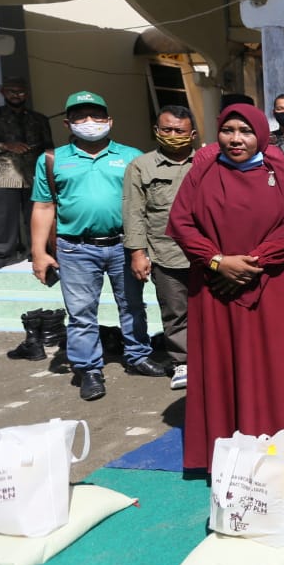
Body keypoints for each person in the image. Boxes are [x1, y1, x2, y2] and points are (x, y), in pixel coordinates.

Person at [167, 104, 284, 469]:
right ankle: (231, 443)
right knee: (225, 363)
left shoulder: (281, 173)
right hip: (215, 285)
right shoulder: (202, 173)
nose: (236, 139)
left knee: (281, 363)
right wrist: (218, 262)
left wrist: (252, 263)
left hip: (276, 285)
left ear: (260, 133)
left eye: (245, 131)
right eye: (228, 130)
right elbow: (181, 223)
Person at [30, 91, 157, 401]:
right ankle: (89, 369)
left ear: (109, 121)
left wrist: (145, 248)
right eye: (80, 116)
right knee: (81, 312)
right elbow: (44, 207)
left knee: (132, 305)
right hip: (75, 248)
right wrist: (39, 252)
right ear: (67, 123)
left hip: (124, 245)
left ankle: (138, 355)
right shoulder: (52, 160)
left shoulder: (131, 156)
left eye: (96, 115)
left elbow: (147, 205)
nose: (89, 121)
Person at [123, 105, 198, 390]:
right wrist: (137, 253)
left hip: (207, 253)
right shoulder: (140, 166)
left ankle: (212, 359)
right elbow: (134, 212)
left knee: (212, 310)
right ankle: (183, 362)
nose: (173, 135)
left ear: (192, 134)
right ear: (156, 131)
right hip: (165, 253)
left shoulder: (207, 162)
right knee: (175, 311)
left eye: (179, 131)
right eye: (167, 130)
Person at [0, 75, 52, 270]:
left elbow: (49, 147)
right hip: (2, 175)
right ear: (2, 92)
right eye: (11, 91)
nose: (16, 95)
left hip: (34, 175)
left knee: (37, 217)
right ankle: (2, 256)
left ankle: (38, 253)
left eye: (21, 91)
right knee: (3, 218)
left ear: (27, 94)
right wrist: (4, 146)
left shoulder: (39, 119)